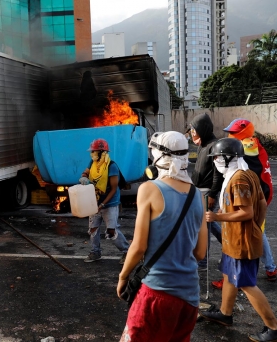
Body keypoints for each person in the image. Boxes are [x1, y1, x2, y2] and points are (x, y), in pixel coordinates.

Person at [116, 131, 207, 342]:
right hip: (190, 298)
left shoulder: (149, 189)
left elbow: (138, 246)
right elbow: (200, 252)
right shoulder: (198, 196)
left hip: (156, 294)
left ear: (158, 157)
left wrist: (123, 277)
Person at [199, 138, 277, 342]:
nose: (216, 161)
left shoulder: (238, 179)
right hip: (234, 239)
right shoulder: (243, 174)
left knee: (245, 283)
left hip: (241, 241)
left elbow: (246, 212)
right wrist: (255, 224)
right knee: (230, 275)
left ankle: (275, 328)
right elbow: (261, 203)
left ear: (231, 158)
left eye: (219, 157)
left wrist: (218, 217)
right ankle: (225, 313)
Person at [223, 118, 277, 282]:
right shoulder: (251, 144)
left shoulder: (248, 145)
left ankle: (254, 271)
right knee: (258, 230)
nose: (229, 135)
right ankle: (270, 267)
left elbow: (241, 169)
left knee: (254, 231)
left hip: (257, 193)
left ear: (241, 133)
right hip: (261, 191)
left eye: (232, 132)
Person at [79, 138, 130, 264]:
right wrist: (84, 177)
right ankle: (95, 252)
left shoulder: (111, 166)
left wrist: (102, 205)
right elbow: (85, 172)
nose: (92, 154)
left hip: (110, 203)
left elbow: (113, 189)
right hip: (95, 201)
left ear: (102, 152)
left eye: (94, 151)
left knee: (112, 231)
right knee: (93, 229)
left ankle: (127, 252)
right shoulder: (93, 163)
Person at [188, 113, 223, 269]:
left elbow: (218, 174)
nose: (192, 133)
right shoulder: (202, 145)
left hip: (207, 192)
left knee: (205, 226)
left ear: (202, 129)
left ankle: (203, 261)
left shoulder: (214, 146)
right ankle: (229, 245)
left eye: (194, 130)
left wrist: (212, 195)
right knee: (209, 223)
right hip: (199, 191)